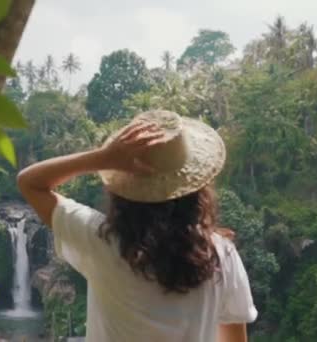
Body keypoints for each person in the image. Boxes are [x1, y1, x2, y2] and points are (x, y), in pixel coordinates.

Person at [17, 110, 257, 342]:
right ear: (195, 189)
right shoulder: (221, 255)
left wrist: (102, 158)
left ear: (122, 187)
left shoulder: (100, 240)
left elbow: (30, 182)